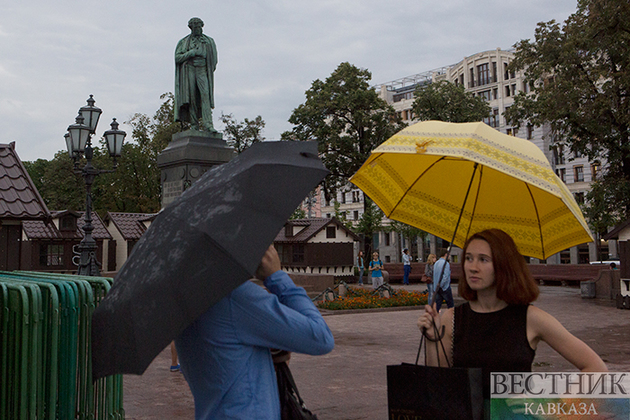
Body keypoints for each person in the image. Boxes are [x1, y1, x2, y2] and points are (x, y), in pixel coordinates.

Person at [417, 229, 607, 402]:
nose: (472, 267)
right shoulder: (452, 318)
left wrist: (549, 405)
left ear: (503, 265)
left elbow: (596, 368)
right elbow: (439, 384)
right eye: (468, 258)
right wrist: (432, 338)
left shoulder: (531, 318)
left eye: (483, 259)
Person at [175, 245, 334, 419]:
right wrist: (277, 277)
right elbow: (320, 337)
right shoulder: (233, 296)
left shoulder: (184, 302)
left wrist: (261, 358)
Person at [174, 17, 218, 132]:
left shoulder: (209, 41)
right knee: (192, 97)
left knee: (205, 96)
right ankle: (194, 124)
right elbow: (177, 58)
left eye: (199, 27)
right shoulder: (183, 42)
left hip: (202, 69)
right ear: (191, 28)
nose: (198, 29)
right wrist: (190, 53)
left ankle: (208, 124)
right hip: (189, 69)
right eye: (195, 27)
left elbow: (214, 60)